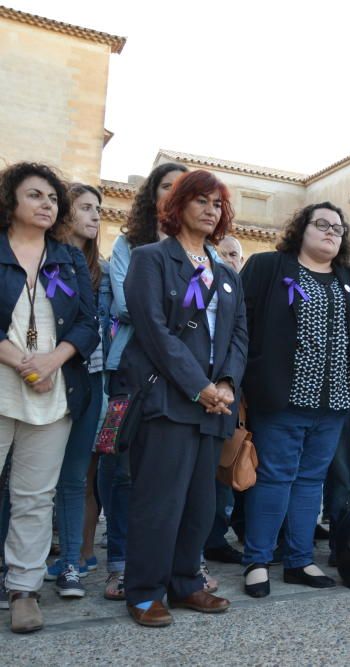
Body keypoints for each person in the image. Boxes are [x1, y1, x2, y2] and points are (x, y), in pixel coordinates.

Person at [115, 170, 247, 626]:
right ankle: (146, 590)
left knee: (200, 503)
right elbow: (153, 331)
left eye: (217, 204)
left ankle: (187, 581)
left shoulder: (227, 273)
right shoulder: (151, 258)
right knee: (160, 500)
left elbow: (239, 337)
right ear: (179, 206)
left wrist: (226, 383)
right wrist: (200, 386)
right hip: (168, 399)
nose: (211, 210)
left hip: (215, 404)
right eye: (201, 201)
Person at [239, 202, 350, 596]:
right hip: (282, 397)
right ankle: (257, 560)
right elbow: (242, 325)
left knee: (312, 480)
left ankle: (299, 559)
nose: (331, 231)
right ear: (301, 228)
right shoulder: (268, 267)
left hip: (335, 402)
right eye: (322, 224)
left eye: (338, 227)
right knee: (275, 478)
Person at [0, 163, 99, 633]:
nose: (46, 204)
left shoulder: (68, 257)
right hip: (5, 383)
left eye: (52, 198)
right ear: (10, 202)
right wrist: (25, 362)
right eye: (34, 195)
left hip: (53, 391)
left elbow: (87, 321)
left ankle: (24, 590)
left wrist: (52, 362)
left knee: (35, 497)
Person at [101, 162, 190, 600]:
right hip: (134, 370)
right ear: (152, 195)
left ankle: (181, 567)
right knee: (125, 472)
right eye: (167, 186)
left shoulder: (200, 249)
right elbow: (127, 304)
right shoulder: (129, 244)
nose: (175, 194)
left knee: (180, 477)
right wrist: (179, 325)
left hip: (186, 376)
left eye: (183, 188)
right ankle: (121, 564)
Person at [46, 184, 113, 598]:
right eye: (85, 208)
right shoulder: (37, 259)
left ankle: (72, 560)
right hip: (38, 377)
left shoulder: (102, 269)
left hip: (89, 381)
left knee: (76, 477)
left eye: (98, 209)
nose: (95, 216)